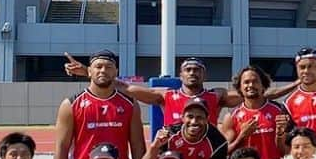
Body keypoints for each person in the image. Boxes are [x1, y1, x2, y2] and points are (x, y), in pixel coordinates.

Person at [64, 53, 240, 127]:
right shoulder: (166, 96)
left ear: (205, 75)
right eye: (188, 70)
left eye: (197, 70)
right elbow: (126, 87)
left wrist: (267, 91)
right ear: (180, 75)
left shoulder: (216, 95)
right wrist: (88, 71)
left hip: (207, 157)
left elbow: (250, 95)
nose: (192, 73)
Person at [53, 49, 145, 159]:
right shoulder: (71, 104)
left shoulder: (130, 104)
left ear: (116, 72)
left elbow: (137, 145)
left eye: (108, 67)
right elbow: (62, 147)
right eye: (98, 66)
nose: (103, 70)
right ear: (89, 71)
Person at [140, 97, 228, 159]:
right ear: (182, 118)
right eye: (190, 116)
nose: (194, 122)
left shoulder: (218, 142)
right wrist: (154, 147)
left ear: (207, 119)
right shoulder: (168, 135)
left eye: (199, 117)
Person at [221, 65, 289, 159]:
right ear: (240, 87)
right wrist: (242, 136)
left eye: (255, 81)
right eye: (246, 82)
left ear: (263, 85)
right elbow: (223, 153)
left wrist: (281, 134)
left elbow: (289, 150)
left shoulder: (280, 111)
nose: (251, 85)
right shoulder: (231, 117)